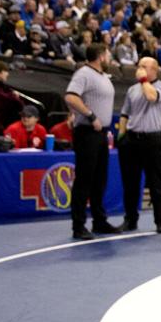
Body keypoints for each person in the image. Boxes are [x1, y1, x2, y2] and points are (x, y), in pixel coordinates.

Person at [63, 43, 120, 240]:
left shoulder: (102, 76)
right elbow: (71, 97)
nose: (110, 57)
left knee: (99, 180)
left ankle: (99, 220)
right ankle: (78, 225)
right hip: (88, 132)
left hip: (101, 133)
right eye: (108, 53)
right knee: (84, 180)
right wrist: (90, 115)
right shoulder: (84, 73)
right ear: (101, 56)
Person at [117, 57, 161, 233]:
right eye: (138, 66)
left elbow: (151, 96)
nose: (138, 69)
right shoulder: (132, 89)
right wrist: (121, 136)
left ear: (154, 70)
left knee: (156, 183)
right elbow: (125, 114)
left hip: (152, 140)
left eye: (143, 67)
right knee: (130, 183)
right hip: (132, 140)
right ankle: (130, 220)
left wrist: (143, 80)